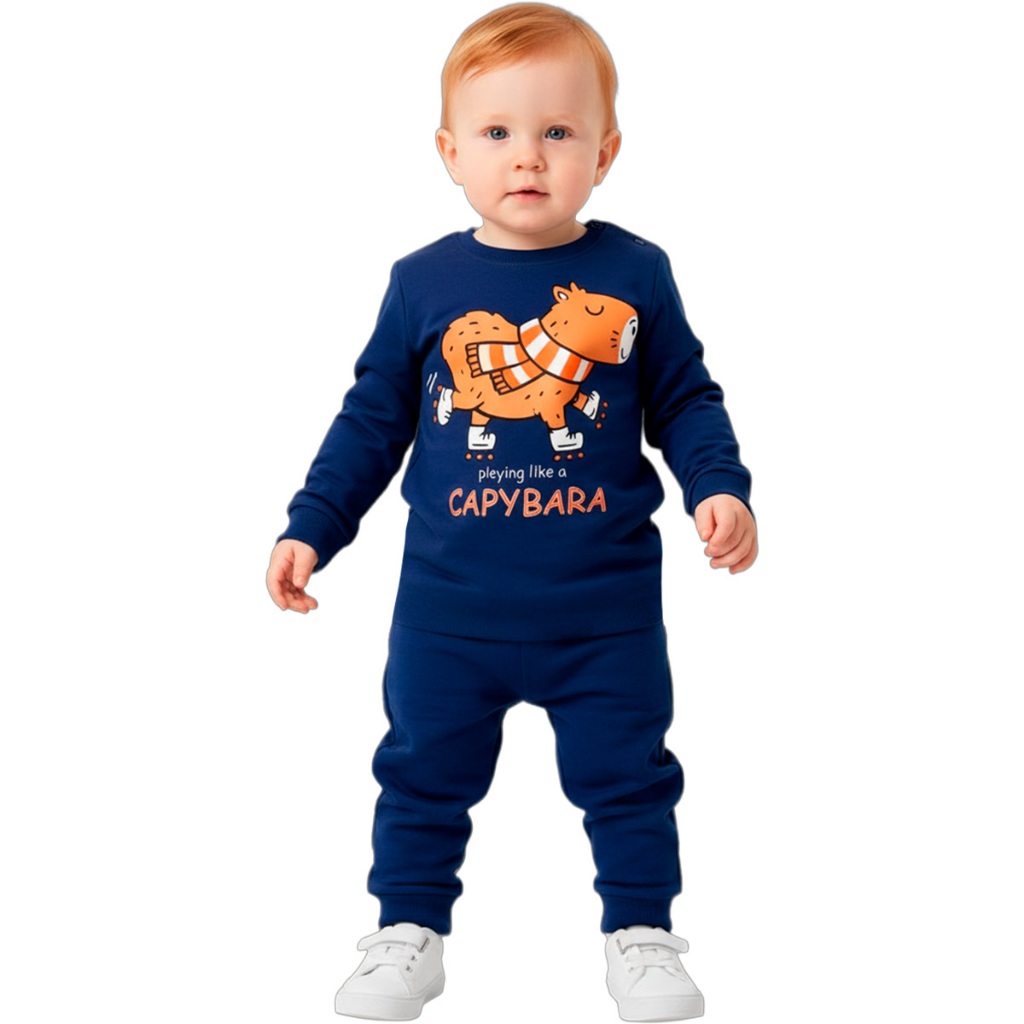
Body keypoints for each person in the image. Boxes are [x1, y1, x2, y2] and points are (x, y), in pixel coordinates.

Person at [266, 4, 757, 1020]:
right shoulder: (423, 284)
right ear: (450, 152)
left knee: (632, 777)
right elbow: (371, 421)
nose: (527, 156)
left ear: (605, 152)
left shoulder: (633, 275)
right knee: (419, 774)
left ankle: (641, 933)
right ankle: (407, 930)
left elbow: (684, 398)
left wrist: (718, 484)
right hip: (449, 612)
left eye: (557, 131)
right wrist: (312, 525)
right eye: (496, 132)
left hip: (603, 611)